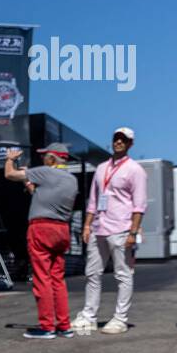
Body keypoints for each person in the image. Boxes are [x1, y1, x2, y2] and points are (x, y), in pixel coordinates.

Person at [74, 127, 148, 335]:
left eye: (123, 140)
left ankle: (120, 318)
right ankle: (89, 315)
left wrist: (133, 232)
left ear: (130, 144)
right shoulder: (101, 168)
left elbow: (139, 205)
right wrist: (87, 225)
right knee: (92, 273)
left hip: (122, 227)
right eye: (116, 138)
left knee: (122, 274)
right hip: (99, 226)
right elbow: (93, 200)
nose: (118, 142)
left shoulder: (135, 170)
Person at [5, 142, 79, 338]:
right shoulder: (71, 180)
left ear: (53, 158)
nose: (43, 159)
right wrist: (29, 181)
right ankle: (64, 325)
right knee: (57, 279)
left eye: (46, 156)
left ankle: (47, 326)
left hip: (41, 228)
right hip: (62, 229)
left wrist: (10, 160)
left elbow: (9, 174)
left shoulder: (45, 172)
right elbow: (41, 196)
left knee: (42, 278)